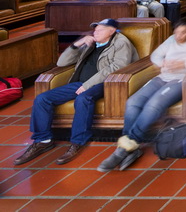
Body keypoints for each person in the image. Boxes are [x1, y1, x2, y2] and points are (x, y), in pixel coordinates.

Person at [98, 18, 186, 172]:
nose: (179, 36)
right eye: (176, 32)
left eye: (183, 33)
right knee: (132, 102)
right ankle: (130, 148)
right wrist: (163, 63)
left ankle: (125, 147)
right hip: (162, 77)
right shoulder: (171, 40)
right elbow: (155, 55)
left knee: (154, 104)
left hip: (182, 79)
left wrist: (184, 64)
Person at [14, 19, 138, 166]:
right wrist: (76, 44)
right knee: (42, 99)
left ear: (111, 31)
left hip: (104, 83)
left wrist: (88, 85)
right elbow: (61, 63)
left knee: (83, 99)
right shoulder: (90, 43)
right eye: (95, 30)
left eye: (100, 30)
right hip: (79, 83)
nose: (95, 32)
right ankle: (43, 140)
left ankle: (77, 142)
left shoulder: (121, 43)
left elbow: (117, 67)